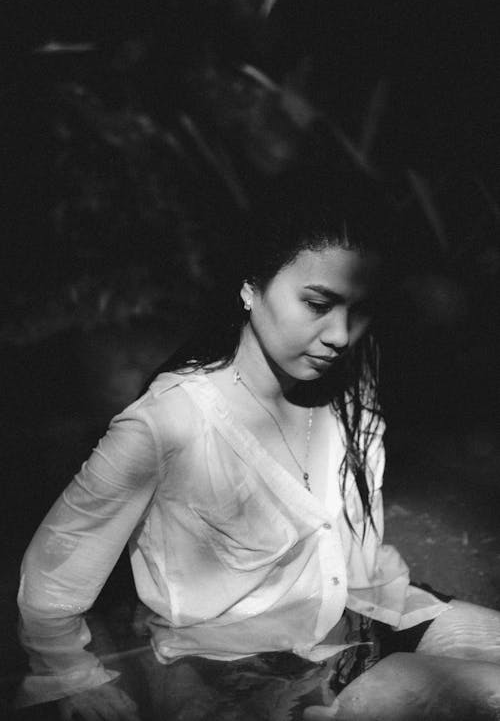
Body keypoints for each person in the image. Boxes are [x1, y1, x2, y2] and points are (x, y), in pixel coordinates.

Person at [15, 169, 500, 721]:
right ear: (251, 287)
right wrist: (72, 674)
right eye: (318, 304)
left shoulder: (349, 393)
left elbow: (349, 554)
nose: (341, 335)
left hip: (361, 623)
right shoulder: (170, 422)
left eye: (358, 311)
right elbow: (56, 568)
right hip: (238, 680)